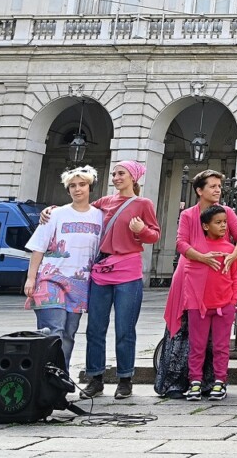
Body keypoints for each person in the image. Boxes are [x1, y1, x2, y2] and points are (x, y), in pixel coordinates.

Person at [80, 160, 161, 400]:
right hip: (101, 270)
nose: (115, 177)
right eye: (114, 173)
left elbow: (155, 235)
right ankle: (95, 378)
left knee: (125, 328)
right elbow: (80, 210)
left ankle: (125, 379)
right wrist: (51, 211)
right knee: (95, 327)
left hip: (128, 270)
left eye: (121, 173)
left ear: (133, 178)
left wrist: (141, 230)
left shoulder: (143, 204)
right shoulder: (104, 202)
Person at [163, 169, 237, 392]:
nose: (218, 189)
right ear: (200, 190)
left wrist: (233, 255)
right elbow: (180, 243)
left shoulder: (226, 212)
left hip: (218, 276)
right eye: (212, 186)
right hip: (189, 274)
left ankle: (214, 381)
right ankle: (182, 380)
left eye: (220, 186)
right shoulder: (189, 215)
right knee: (186, 330)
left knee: (216, 338)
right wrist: (201, 258)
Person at [24, 165, 103, 369]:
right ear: (67, 190)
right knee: (53, 331)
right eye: (72, 186)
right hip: (50, 281)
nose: (77, 189)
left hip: (79, 284)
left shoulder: (100, 217)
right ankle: (46, 377)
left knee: (69, 334)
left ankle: (60, 378)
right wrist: (31, 278)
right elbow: (38, 248)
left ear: (90, 187)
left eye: (82, 184)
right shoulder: (55, 215)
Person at [183, 205, 237, 402]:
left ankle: (220, 381)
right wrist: (192, 301)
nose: (224, 226)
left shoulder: (230, 249)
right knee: (197, 345)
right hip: (199, 306)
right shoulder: (197, 249)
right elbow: (189, 274)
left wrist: (232, 301)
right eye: (218, 223)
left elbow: (235, 277)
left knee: (221, 346)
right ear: (205, 226)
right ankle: (195, 382)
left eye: (225, 222)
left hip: (224, 306)